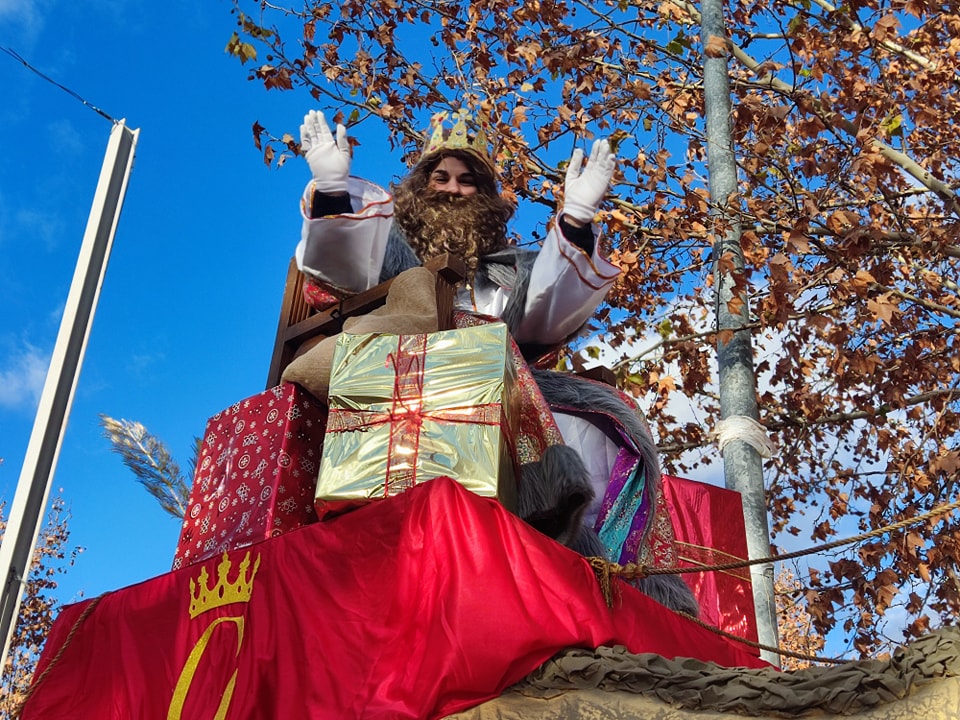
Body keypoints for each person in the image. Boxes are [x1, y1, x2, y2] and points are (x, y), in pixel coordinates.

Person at [290, 109, 697, 614]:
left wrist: (574, 219)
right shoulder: (387, 247)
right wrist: (332, 187)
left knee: (605, 424)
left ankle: (611, 582)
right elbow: (341, 263)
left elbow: (545, 314)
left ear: (484, 197)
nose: (453, 190)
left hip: (505, 382)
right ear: (420, 186)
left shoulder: (507, 273)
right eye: (441, 177)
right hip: (403, 381)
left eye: (467, 181)